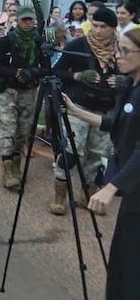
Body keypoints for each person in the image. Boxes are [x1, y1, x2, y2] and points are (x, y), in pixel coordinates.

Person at [61, 28, 140, 300]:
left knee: (130, 266)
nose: (118, 55)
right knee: (122, 261)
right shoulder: (130, 85)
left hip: (134, 187)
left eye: (126, 51)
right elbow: (114, 123)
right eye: (119, 49)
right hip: (133, 191)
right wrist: (76, 111)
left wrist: (111, 187)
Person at [49, 6, 121, 216]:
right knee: (71, 151)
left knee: (98, 156)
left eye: (103, 27)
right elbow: (56, 71)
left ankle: (87, 193)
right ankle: (59, 195)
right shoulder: (79, 44)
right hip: (78, 107)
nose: (97, 31)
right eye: (95, 25)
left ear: (113, 28)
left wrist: (124, 81)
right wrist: (78, 77)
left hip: (106, 111)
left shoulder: (122, 48)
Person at [0, 6, 49, 189]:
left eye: (30, 20)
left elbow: (47, 68)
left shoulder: (39, 41)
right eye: (24, 20)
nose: (27, 23)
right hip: (9, 90)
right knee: (8, 129)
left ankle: (16, 165)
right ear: (17, 21)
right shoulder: (6, 41)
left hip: (29, 91)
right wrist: (15, 72)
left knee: (23, 132)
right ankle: (7, 169)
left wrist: (32, 72)